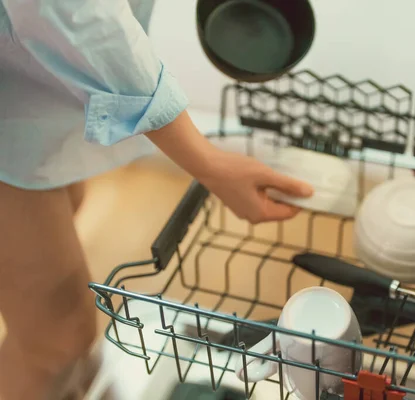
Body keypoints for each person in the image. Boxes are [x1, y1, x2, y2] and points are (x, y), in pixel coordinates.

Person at [0, 1, 313, 398]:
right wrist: (208, 162)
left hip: (23, 81)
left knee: (64, 205)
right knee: (57, 340)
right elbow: (73, 11)